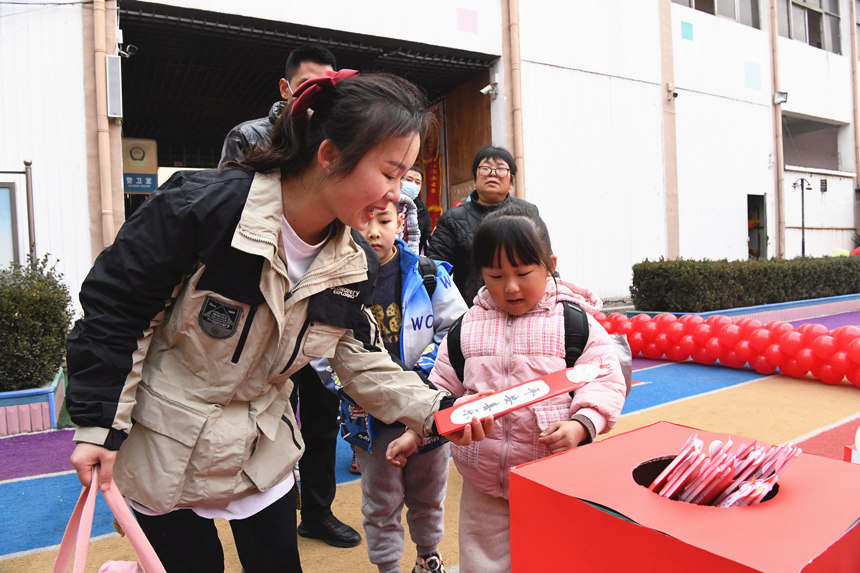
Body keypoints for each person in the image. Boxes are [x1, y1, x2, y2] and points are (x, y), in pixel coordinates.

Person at [65, 71, 493, 573]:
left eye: (405, 179)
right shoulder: (204, 210)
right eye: (390, 173)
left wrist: (436, 409)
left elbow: (358, 357)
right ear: (330, 155)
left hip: (259, 448)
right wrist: (97, 426)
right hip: (164, 444)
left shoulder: (352, 262)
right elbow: (118, 313)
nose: (398, 197)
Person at [389, 205, 626, 573]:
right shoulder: (467, 326)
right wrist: (416, 431)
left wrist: (582, 424)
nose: (510, 286)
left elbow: (605, 378)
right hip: (483, 482)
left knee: (551, 555)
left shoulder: (573, 322)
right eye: (496, 276)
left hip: (550, 477)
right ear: (480, 274)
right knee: (482, 560)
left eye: (523, 273)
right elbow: (440, 389)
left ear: (550, 264)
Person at [220, 43, 359, 548]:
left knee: (321, 419)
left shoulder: (341, 143)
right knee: (255, 415)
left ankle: (316, 511)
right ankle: (241, 505)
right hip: (261, 305)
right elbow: (234, 218)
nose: (318, 94)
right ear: (286, 89)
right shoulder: (252, 137)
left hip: (316, 300)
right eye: (307, 85)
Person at [344, 197, 467, 573]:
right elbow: (321, 346)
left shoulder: (427, 273)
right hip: (368, 415)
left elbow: (456, 329)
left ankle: (428, 556)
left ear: (400, 222)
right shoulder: (338, 278)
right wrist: (351, 386)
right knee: (380, 501)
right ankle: (387, 567)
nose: (373, 231)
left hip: (427, 408)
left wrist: (422, 378)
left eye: (383, 220)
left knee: (428, 494)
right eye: (364, 221)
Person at [425, 145, 539, 306]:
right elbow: (435, 268)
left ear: (511, 182)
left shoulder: (528, 212)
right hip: (471, 308)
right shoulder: (452, 219)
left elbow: (543, 259)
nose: (493, 174)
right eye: (485, 168)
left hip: (520, 303)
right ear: (474, 179)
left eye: (501, 169)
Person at [219, 44, 337, 166]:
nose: (315, 93)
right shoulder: (246, 137)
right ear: (285, 89)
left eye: (325, 86)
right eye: (307, 85)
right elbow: (233, 184)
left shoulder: (341, 137)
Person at [400, 166, 432, 255]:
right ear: (400, 180)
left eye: (417, 182)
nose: (413, 185)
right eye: (409, 180)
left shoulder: (422, 210)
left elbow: (426, 238)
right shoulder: (387, 203)